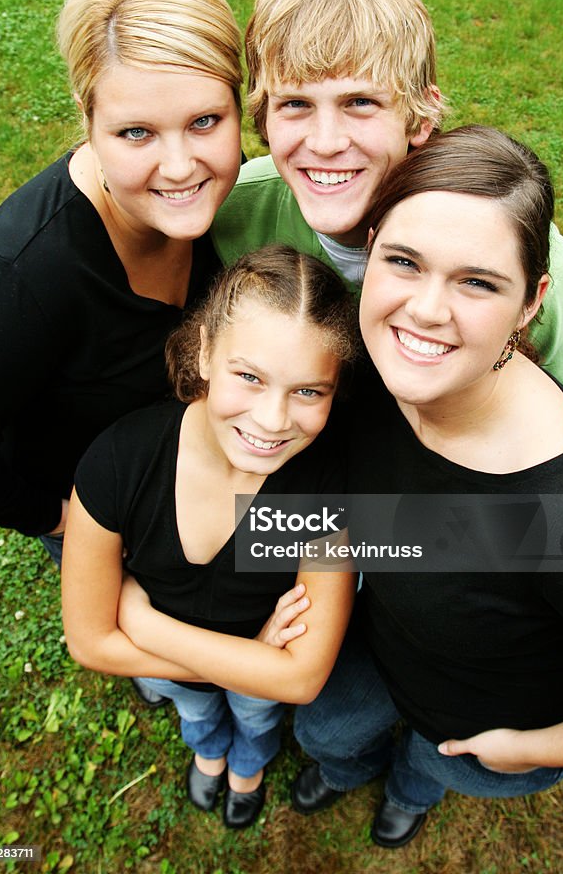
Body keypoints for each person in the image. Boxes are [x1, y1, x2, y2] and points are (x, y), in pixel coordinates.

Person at [288, 126, 563, 849]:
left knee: (440, 764)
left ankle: (411, 793)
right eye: (404, 262)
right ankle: (350, 766)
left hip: (490, 725)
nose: (422, 310)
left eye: (477, 282)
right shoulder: (371, 377)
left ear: (529, 303)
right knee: (325, 729)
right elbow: (382, 514)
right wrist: (299, 573)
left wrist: (530, 750)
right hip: (381, 646)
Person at [61, 246, 357, 830]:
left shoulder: (325, 487)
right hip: (219, 659)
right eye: (249, 377)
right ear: (203, 352)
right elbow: (90, 643)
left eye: (308, 391)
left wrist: (145, 627)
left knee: (258, 714)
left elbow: (300, 678)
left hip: (163, 652)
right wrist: (254, 660)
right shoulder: (122, 461)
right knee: (197, 710)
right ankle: (207, 748)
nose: (273, 420)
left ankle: (248, 764)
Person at [0, 0, 242, 564]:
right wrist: (68, 525)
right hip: (110, 516)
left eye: (204, 121)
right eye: (135, 133)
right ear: (87, 120)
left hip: (202, 470)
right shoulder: (11, 281)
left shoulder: (238, 198)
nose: (179, 167)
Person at [211, 0, 563, 394]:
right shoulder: (235, 210)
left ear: (419, 118)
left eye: (360, 103)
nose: (326, 142)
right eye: (295, 104)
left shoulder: (511, 253)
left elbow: (562, 397)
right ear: (264, 116)